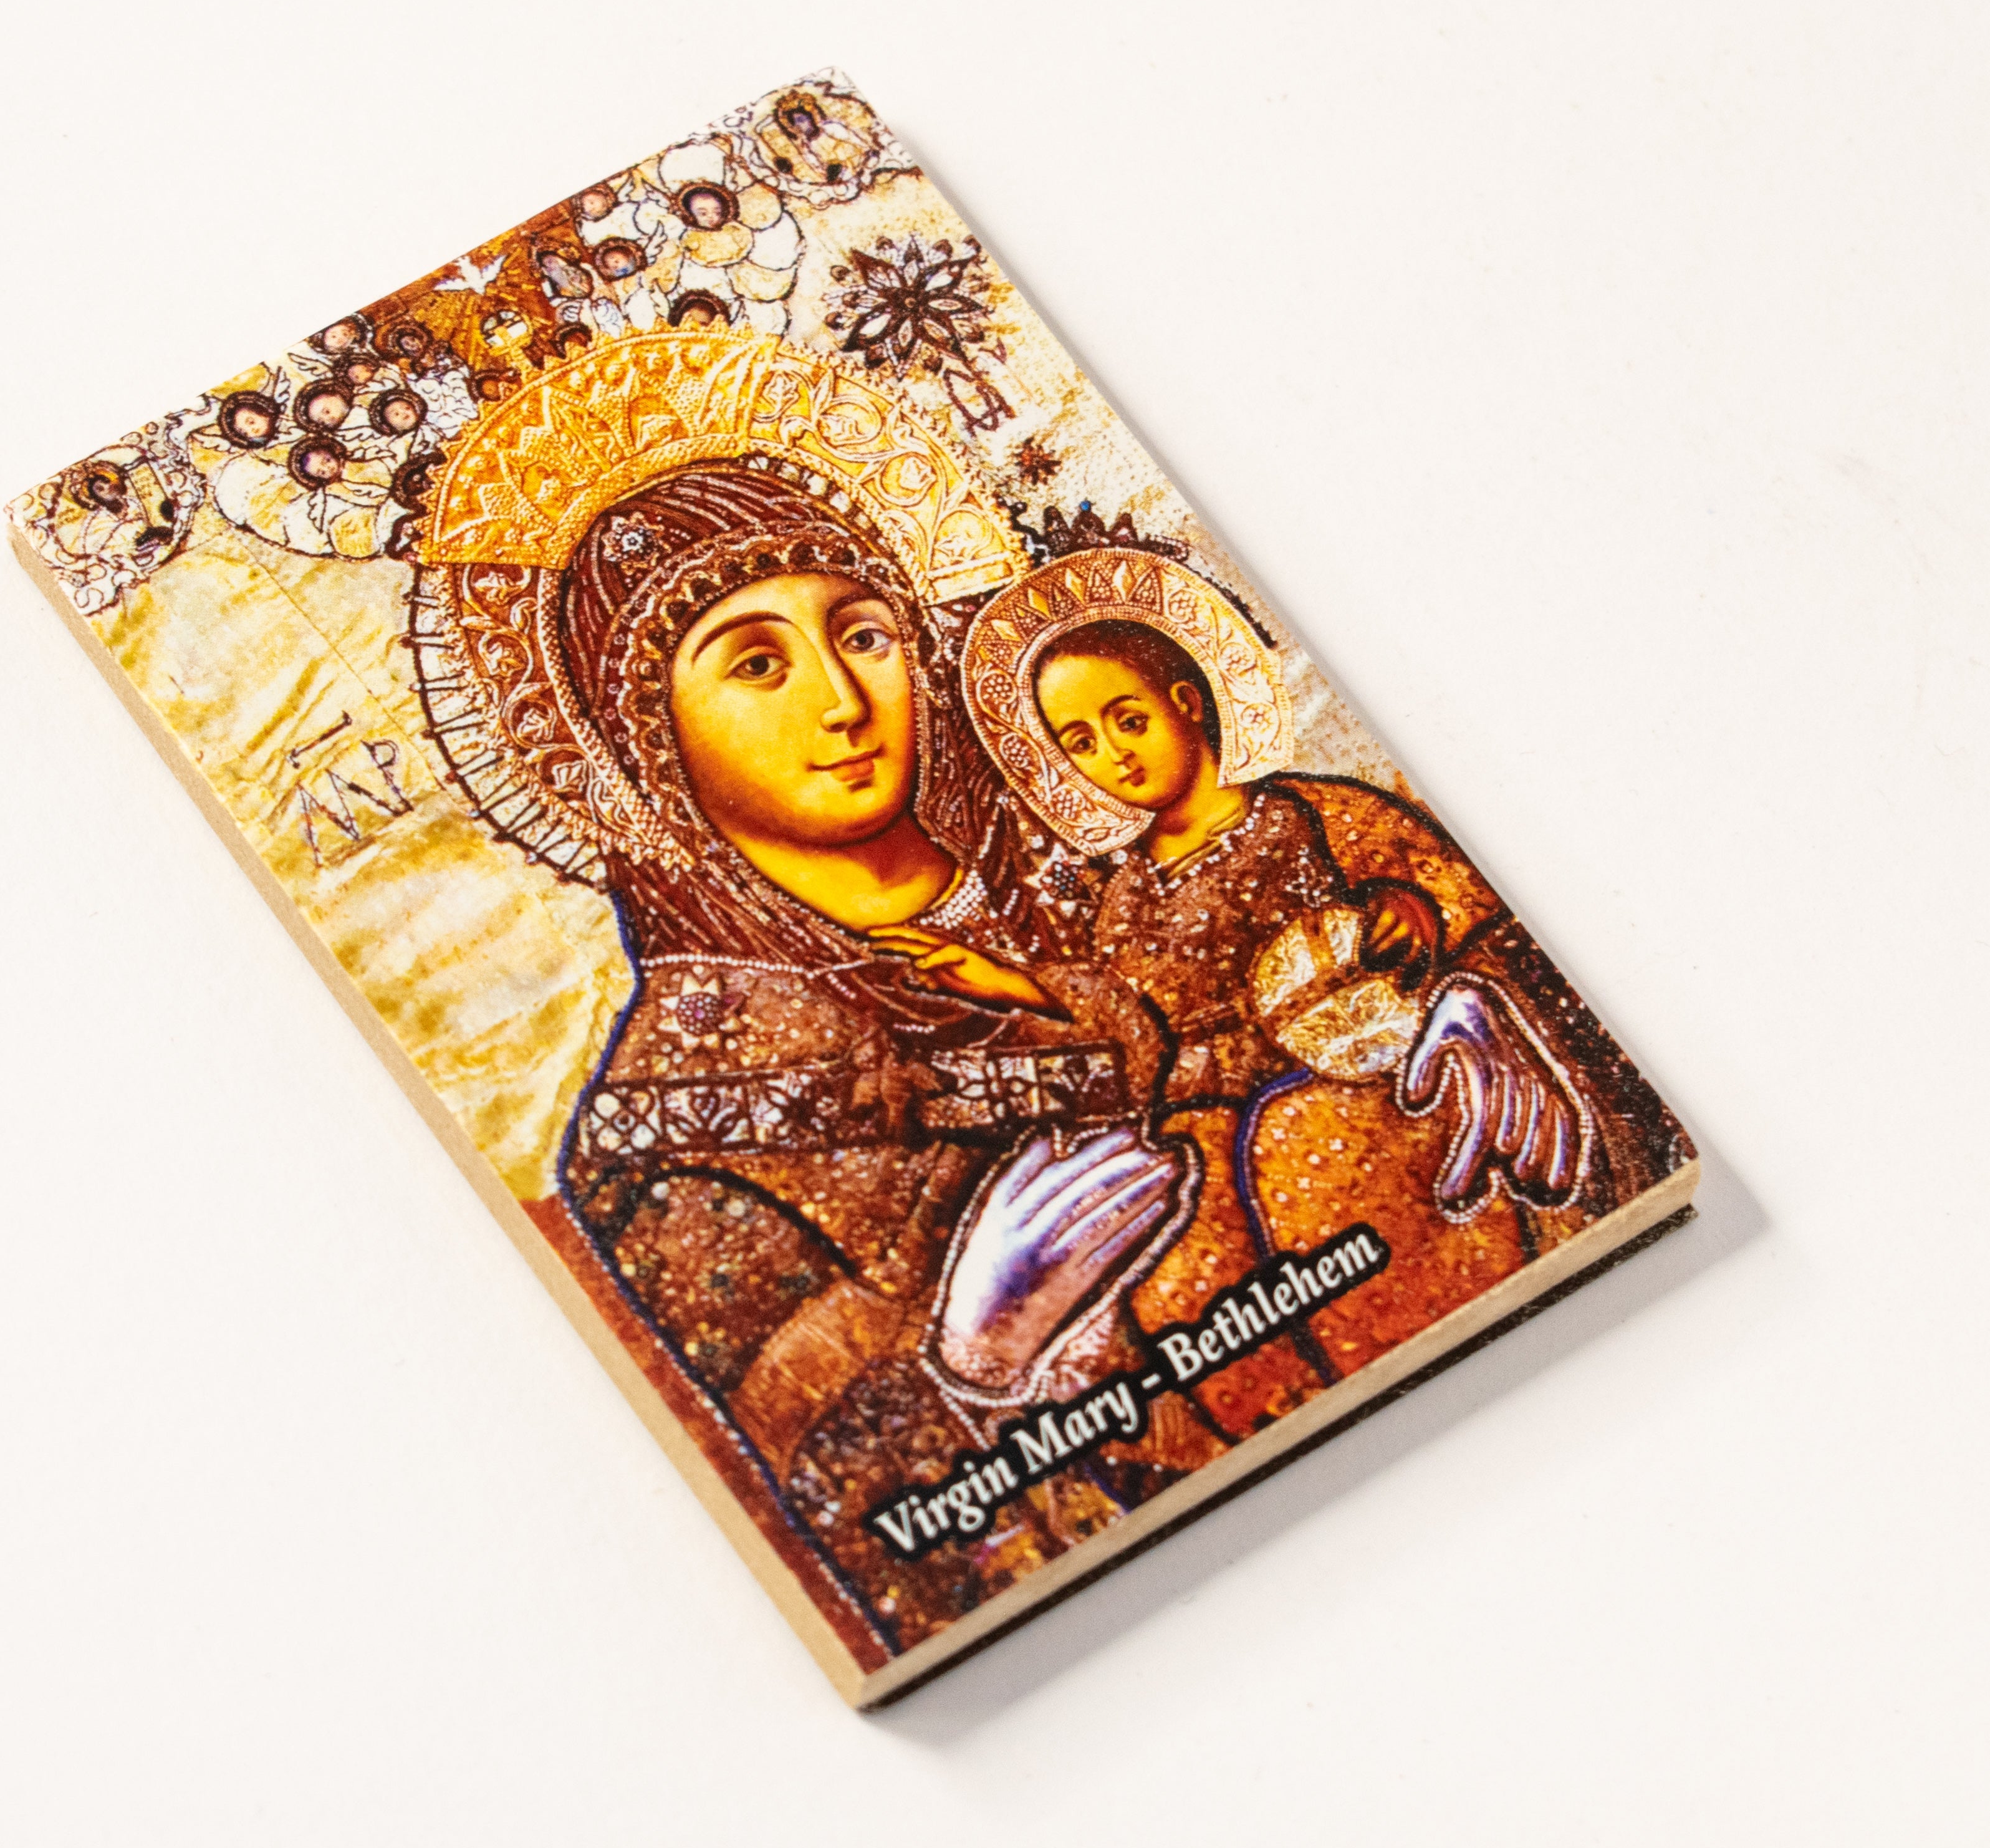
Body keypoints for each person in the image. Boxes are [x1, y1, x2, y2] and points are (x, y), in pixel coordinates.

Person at [552, 469, 1235, 1650]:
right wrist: (972, 1362)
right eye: (755, 664)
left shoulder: (1115, 880)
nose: (841, 702)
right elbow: (837, 1497)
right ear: (650, 739)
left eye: (864, 636)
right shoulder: (675, 1104)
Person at [1022, 613, 1691, 1413]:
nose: (1114, 753)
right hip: (1201, 1124)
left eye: (1127, 720)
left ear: (1186, 703)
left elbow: (1441, 883)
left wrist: (1406, 909)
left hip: (1344, 1093)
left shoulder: (1308, 811)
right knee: (1179, 1272)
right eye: (1080, 743)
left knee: (1314, 1171)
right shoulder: (1121, 899)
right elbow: (1132, 1032)